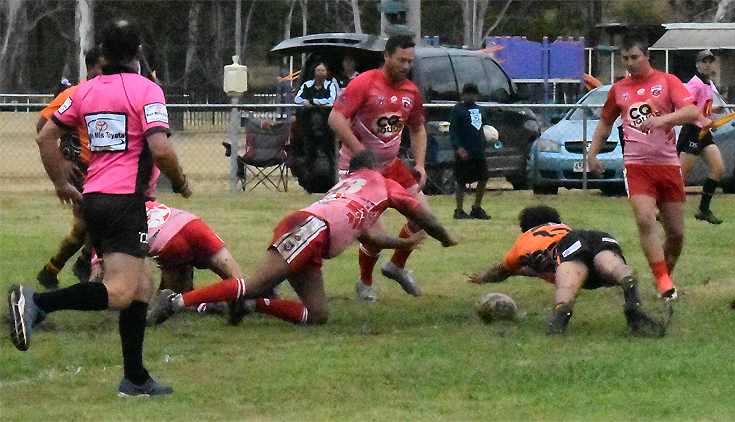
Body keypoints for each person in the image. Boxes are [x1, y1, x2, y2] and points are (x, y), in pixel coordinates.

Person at [8, 20, 192, 397]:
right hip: (125, 202)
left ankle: (135, 379)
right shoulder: (147, 89)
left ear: (103, 53)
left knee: (140, 287)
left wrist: (61, 181)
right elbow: (160, 150)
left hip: (94, 199)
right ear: (138, 52)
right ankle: (37, 302)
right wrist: (181, 181)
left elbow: (45, 138)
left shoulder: (85, 90)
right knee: (122, 291)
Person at [146, 150, 457, 327]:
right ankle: (175, 301)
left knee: (317, 315)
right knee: (255, 282)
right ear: (375, 168)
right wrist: (445, 238)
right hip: (310, 230)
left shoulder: (351, 186)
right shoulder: (383, 183)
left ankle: (253, 306)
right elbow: (423, 215)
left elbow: (364, 233)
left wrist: (400, 244)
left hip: (313, 235)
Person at [587, 33, 710, 302]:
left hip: (667, 164)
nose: (630, 63)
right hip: (636, 165)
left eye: (635, 57)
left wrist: (662, 120)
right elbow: (605, 123)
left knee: (676, 234)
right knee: (645, 220)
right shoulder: (619, 89)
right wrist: (592, 153)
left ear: (647, 56)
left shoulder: (667, 81)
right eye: (625, 58)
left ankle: (665, 274)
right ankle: (663, 281)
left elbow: (691, 112)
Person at [328, 33, 430, 302]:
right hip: (359, 170)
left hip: (391, 165)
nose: (405, 66)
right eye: (400, 60)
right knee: (376, 235)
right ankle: (365, 282)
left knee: (424, 218)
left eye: (409, 61)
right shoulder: (365, 83)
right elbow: (335, 118)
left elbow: (418, 129)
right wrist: (361, 153)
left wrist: (420, 164)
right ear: (386, 56)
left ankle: (396, 266)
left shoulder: (411, 91)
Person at [469, 206, 665, 336]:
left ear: (526, 228)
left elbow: (501, 271)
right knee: (611, 265)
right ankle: (627, 282)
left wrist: (484, 278)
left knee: (568, 282)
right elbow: (539, 268)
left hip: (567, 247)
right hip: (596, 237)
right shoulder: (563, 229)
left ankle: (560, 316)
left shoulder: (524, 241)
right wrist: (518, 271)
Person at [87, 200, 250, 317]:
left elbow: (97, 276)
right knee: (242, 283)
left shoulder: (105, 233)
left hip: (168, 241)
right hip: (192, 224)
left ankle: (204, 304)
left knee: (174, 300)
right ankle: (249, 299)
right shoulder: (140, 203)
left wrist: (87, 295)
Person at [35, 46, 105, 290]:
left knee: (95, 225)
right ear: (91, 67)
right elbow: (42, 127)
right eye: (104, 67)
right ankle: (66, 268)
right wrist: (62, 161)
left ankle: (63, 268)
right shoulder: (74, 93)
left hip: (103, 171)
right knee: (86, 225)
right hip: (82, 171)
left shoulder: (106, 92)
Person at [678, 49, 725, 225]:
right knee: (681, 176)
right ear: (697, 64)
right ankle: (664, 210)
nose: (708, 65)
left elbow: (701, 106)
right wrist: (702, 119)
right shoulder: (695, 83)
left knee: (718, 168)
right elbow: (686, 107)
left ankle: (703, 209)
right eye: (704, 61)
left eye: (710, 61)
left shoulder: (708, 83)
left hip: (704, 132)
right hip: (692, 131)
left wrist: (713, 110)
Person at [450, 83, 491, 220]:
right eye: (467, 93)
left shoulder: (480, 110)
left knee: (483, 178)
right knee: (461, 181)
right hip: (464, 151)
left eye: (473, 94)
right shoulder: (458, 110)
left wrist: (490, 137)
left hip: (478, 151)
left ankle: (476, 207)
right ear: (463, 95)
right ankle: (459, 210)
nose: (470, 96)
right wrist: (459, 148)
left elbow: (485, 127)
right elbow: (453, 131)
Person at [295, 61, 338, 177]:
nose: (320, 73)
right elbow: (297, 99)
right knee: (310, 153)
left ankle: (333, 176)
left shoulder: (330, 86)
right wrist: (305, 102)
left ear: (326, 73)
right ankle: (309, 177)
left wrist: (313, 102)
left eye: (322, 71)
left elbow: (331, 100)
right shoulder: (306, 85)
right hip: (309, 128)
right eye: (318, 70)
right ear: (314, 72)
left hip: (326, 127)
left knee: (330, 153)